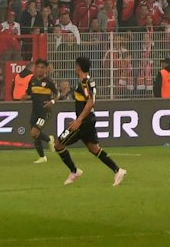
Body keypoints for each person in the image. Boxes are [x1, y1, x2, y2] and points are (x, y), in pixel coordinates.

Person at [54, 55, 126, 186]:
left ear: (79, 67)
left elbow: (91, 101)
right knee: (94, 148)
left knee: (59, 144)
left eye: (76, 66)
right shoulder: (87, 80)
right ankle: (117, 170)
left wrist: (79, 120)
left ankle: (74, 171)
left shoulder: (84, 83)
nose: (75, 68)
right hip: (87, 120)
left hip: (84, 122)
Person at [25, 57, 57, 163]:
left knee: (34, 132)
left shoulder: (49, 81)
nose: (39, 69)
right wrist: (25, 96)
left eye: (42, 67)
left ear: (46, 69)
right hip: (35, 111)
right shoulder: (33, 80)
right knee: (35, 135)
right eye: (38, 67)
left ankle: (49, 139)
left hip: (44, 112)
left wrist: (51, 102)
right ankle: (42, 157)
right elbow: (29, 93)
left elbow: (58, 94)